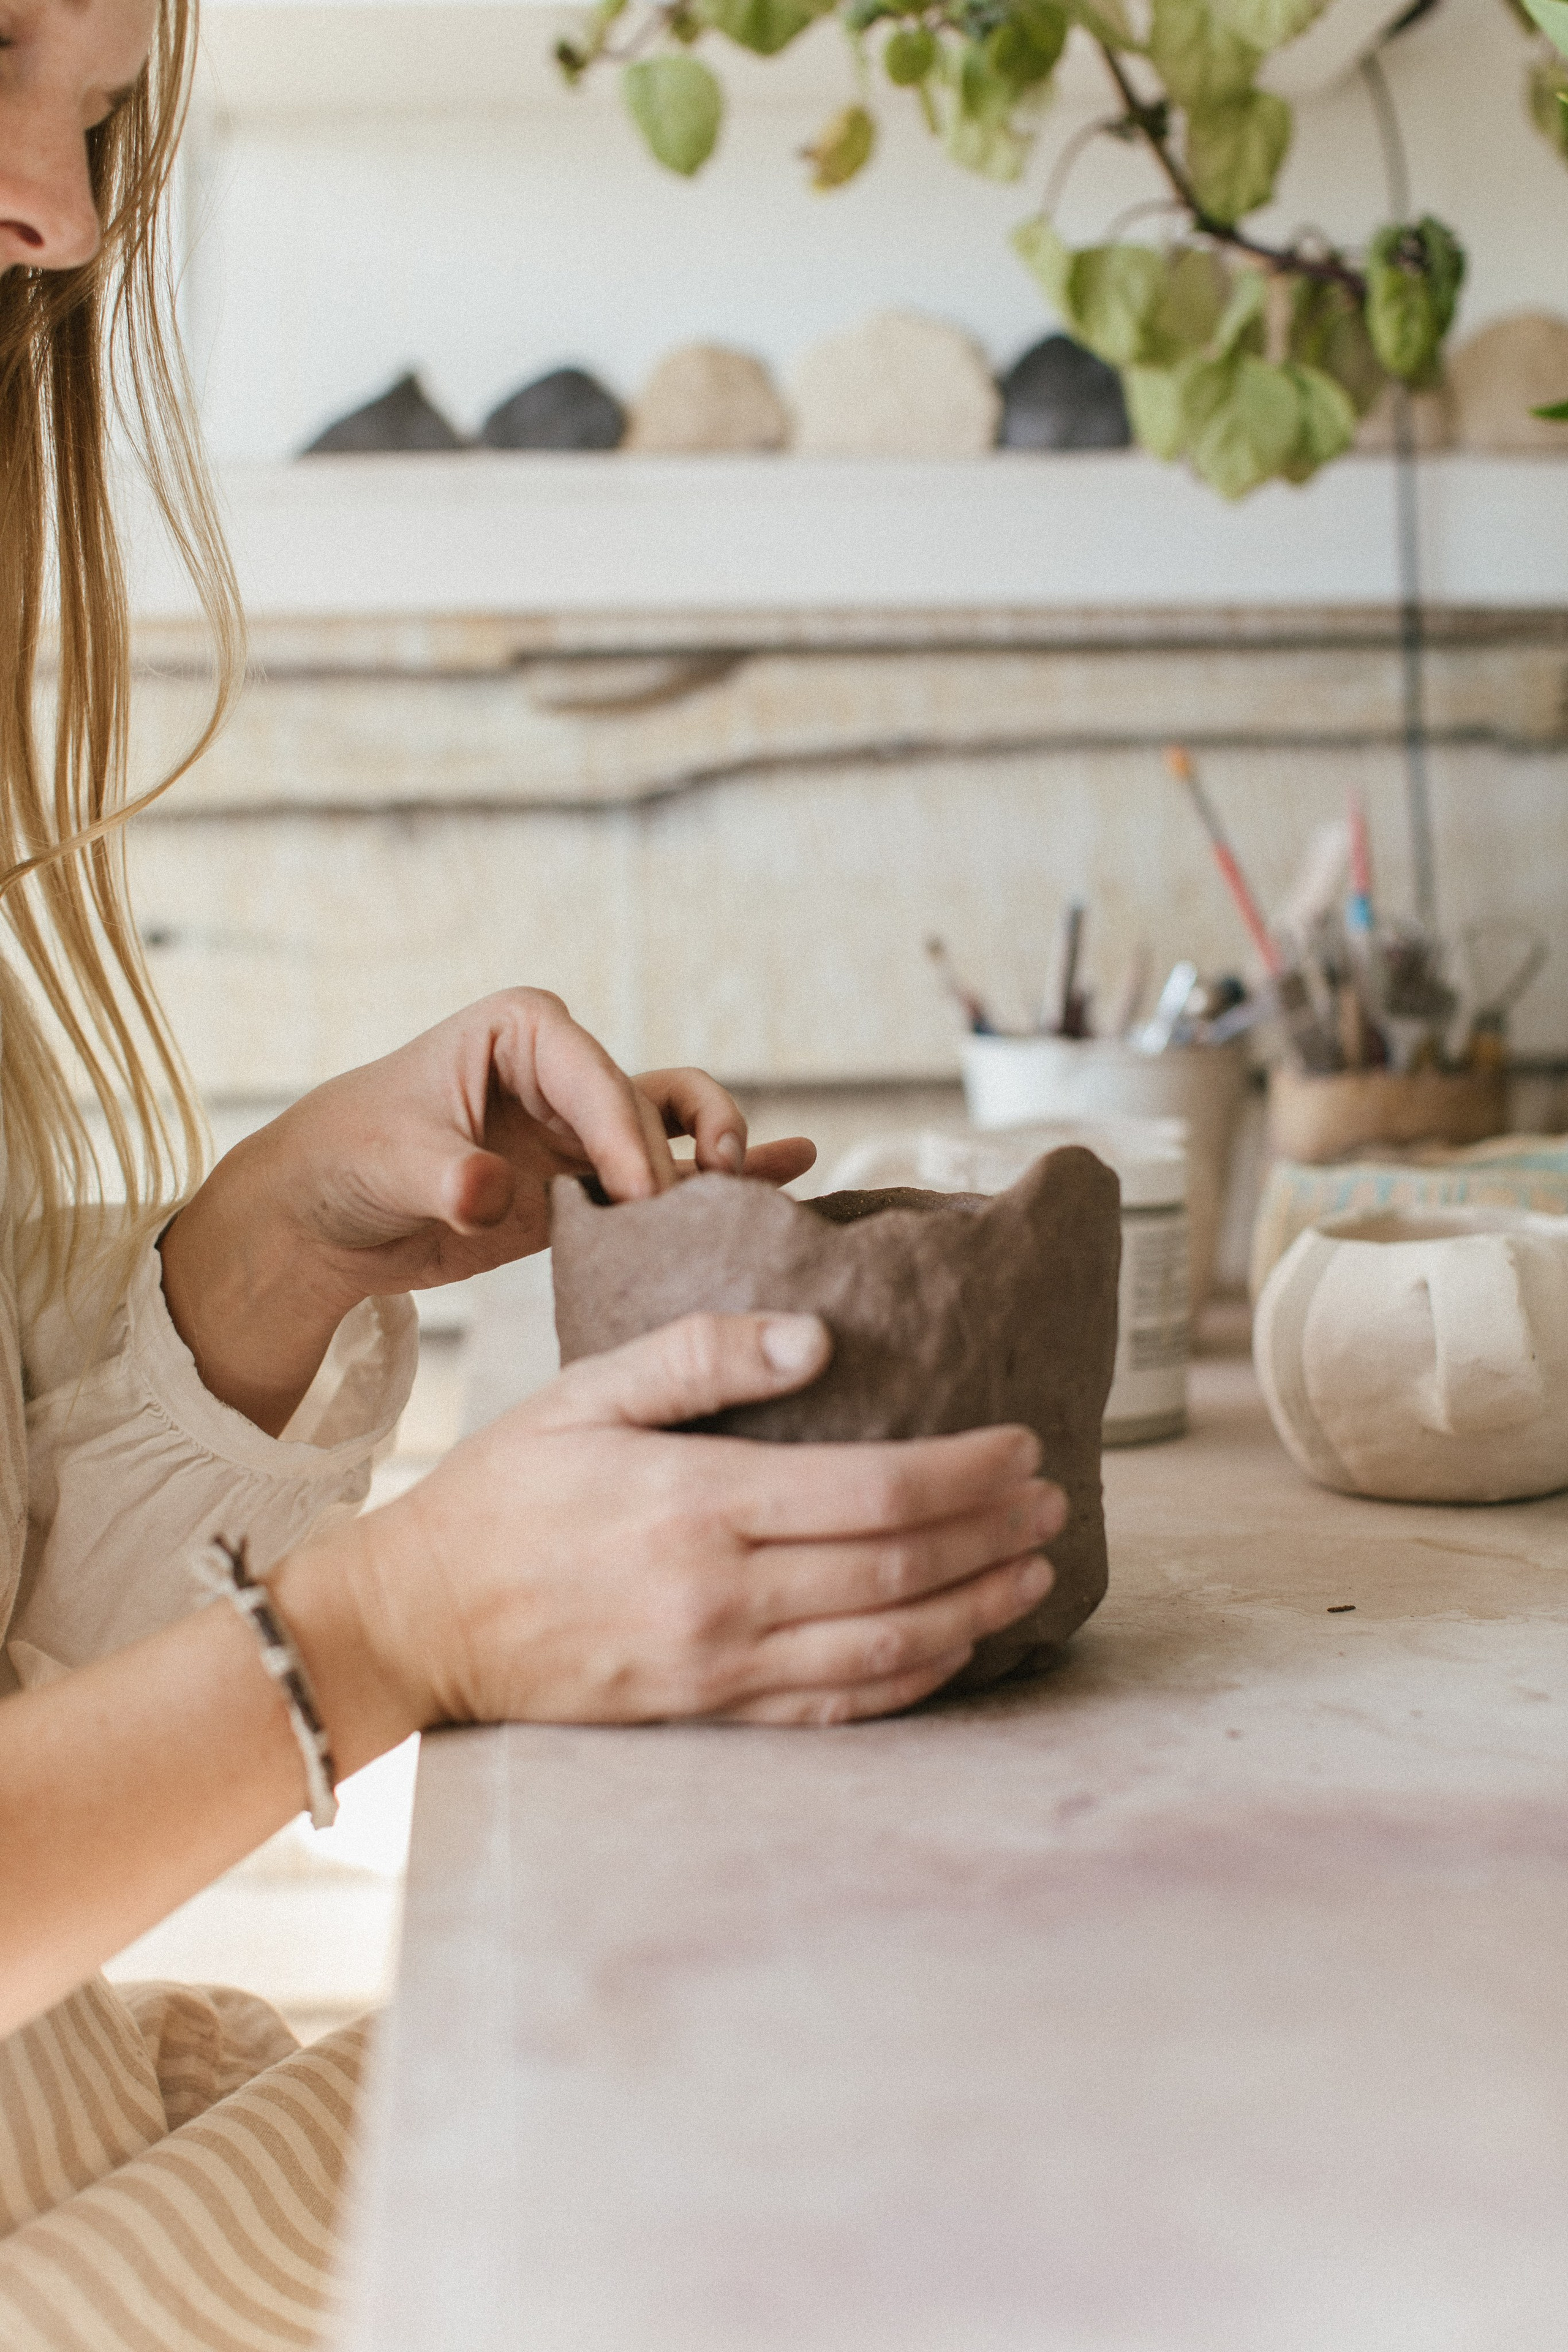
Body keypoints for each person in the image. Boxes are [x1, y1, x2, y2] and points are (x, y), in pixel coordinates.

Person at [0, 0, 1068, 2339]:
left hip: (102, 2132)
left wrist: (280, 1237)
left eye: (92, 116)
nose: (63, 218)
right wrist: (393, 1630)